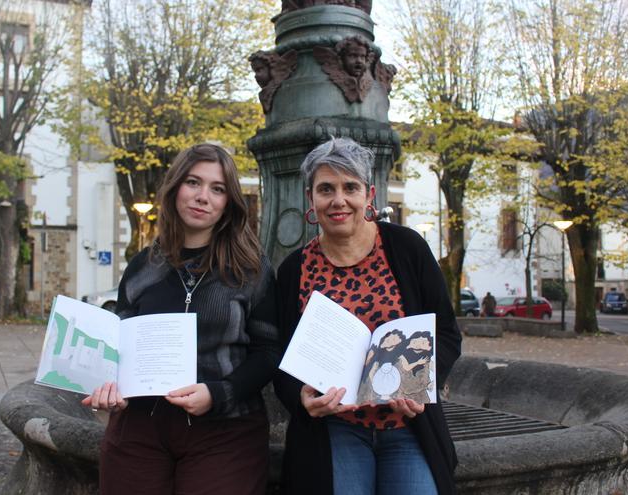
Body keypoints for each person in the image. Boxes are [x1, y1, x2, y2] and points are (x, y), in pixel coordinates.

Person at [81, 144, 281, 495]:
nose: (203, 196)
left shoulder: (250, 268)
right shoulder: (143, 267)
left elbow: (268, 351)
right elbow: (119, 348)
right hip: (142, 424)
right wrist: (108, 386)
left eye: (217, 189)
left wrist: (218, 393)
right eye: (193, 182)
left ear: (228, 202)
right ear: (175, 188)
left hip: (226, 426)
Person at [274, 137, 462, 495]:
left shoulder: (406, 248)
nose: (338, 200)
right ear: (310, 198)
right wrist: (300, 395)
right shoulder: (294, 270)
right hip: (334, 425)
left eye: (350, 187)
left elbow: (447, 333)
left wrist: (422, 382)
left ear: (369, 195)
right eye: (326, 189)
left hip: (407, 424)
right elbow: (279, 355)